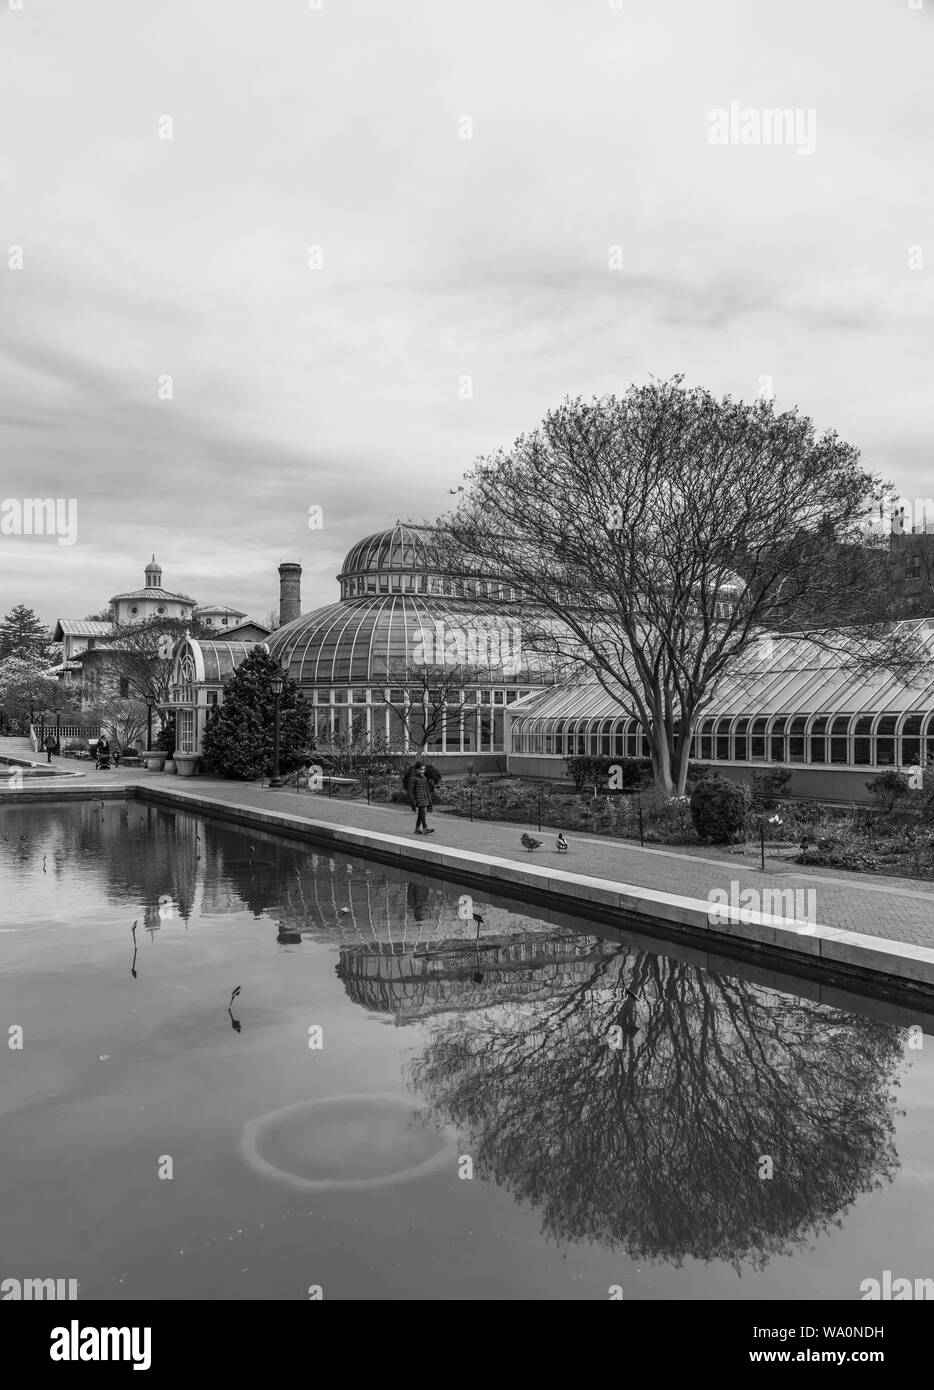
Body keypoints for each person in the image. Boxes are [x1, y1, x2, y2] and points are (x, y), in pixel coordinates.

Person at [405, 761, 435, 835]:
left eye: (424, 769)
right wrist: (413, 801)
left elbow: (426, 789)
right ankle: (425, 827)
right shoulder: (412, 778)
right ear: (417, 769)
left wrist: (429, 798)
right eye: (421, 769)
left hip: (424, 798)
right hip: (417, 799)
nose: (423, 771)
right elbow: (410, 791)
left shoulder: (424, 778)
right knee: (423, 812)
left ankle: (417, 828)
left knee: (421, 814)